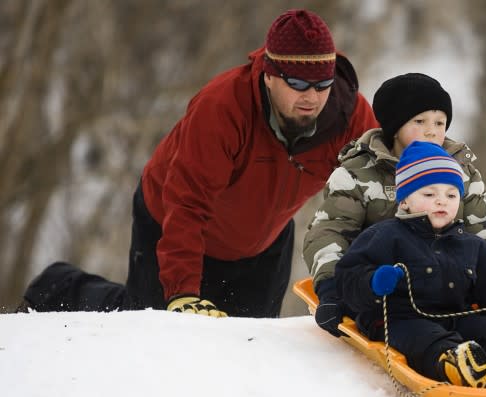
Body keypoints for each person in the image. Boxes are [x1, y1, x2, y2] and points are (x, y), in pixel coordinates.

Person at [17, 9, 378, 318]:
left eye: (322, 84)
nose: (312, 97)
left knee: (249, 346)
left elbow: (382, 182)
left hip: (261, 241)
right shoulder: (223, 107)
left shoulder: (349, 117)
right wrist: (181, 291)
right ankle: (60, 286)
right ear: (269, 75)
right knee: (151, 323)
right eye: (298, 83)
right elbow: (187, 202)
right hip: (173, 218)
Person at [334, 140, 486, 388]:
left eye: (451, 194)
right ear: (404, 200)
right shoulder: (385, 236)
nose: (441, 201)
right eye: (429, 194)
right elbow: (347, 278)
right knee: (427, 338)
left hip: (456, 317)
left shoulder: (471, 245)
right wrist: (373, 282)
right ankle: (457, 367)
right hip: (399, 320)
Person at [303, 72, 486, 336]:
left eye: (440, 122)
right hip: (381, 294)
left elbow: (483, 229)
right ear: (394, 126)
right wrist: (332, 288)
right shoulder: (358, 173)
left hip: (448, 292)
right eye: (419, 121)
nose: (431, 130)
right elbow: (330, 231)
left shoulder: (460, 174)